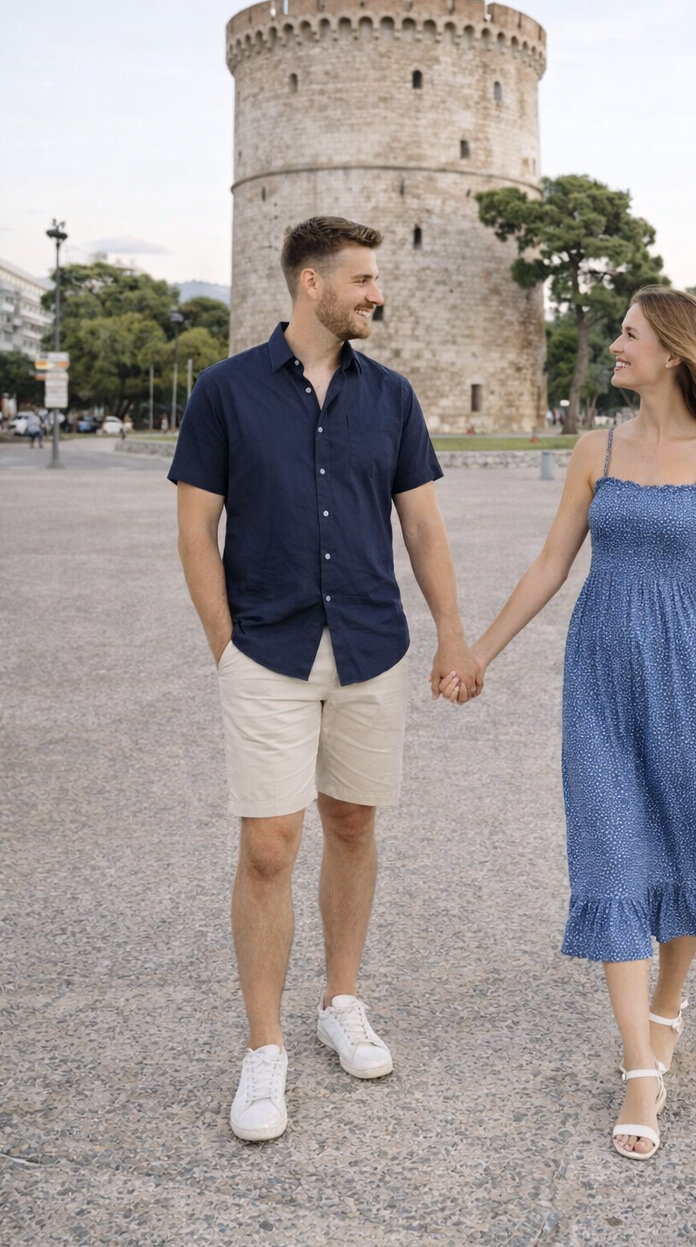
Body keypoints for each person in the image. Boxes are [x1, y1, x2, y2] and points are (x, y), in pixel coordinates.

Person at [442, 287, 696, 1161]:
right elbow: (550, 563)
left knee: (688, 839)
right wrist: (481, 651)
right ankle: (640, 1068)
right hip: (600, 676)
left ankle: (667, 1007)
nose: (615, 345)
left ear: (673, 353)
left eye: (629, 335)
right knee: (610, 846)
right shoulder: (593, 448)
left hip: (688, 673)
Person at [169, 216, 481, 1144]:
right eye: (362, 280)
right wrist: (223, 644)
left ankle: (340, 999)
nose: (376, 292)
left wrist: (453, 638)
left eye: (374, 280)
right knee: (269, 844)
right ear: (312, 284)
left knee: (351, 822)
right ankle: (263, 1048)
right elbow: (196, 530)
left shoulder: (390, 397)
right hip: (265, 650)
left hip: (370, 648)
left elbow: (422, 529)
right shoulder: (225, 393)